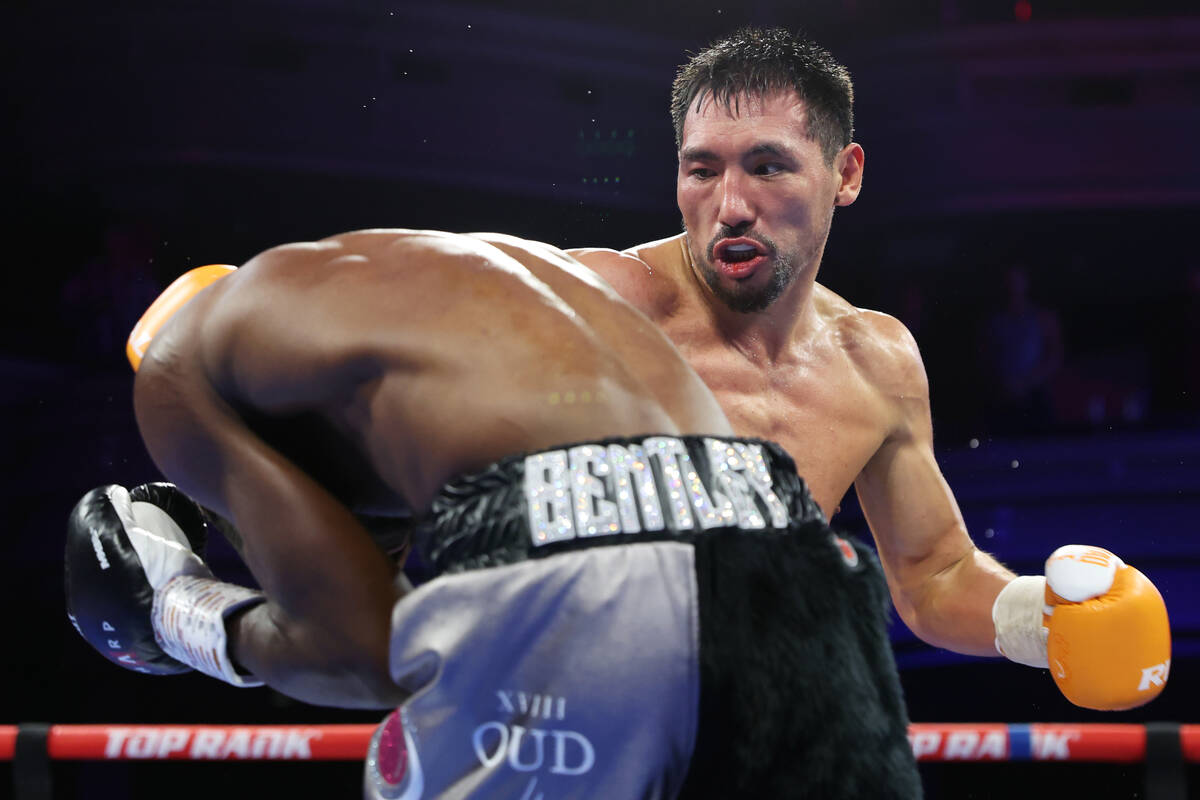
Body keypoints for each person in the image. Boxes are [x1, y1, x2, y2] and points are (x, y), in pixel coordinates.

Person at [66, 27, 1170, 800]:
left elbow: (930, 577)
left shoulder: (878, 356)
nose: (727, 203)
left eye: (767, 167)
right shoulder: (596, 294)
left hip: (757, 656)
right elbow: (387, 385)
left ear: (847, 174)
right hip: (551, 659)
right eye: (702, 170)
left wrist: (1039, 619)